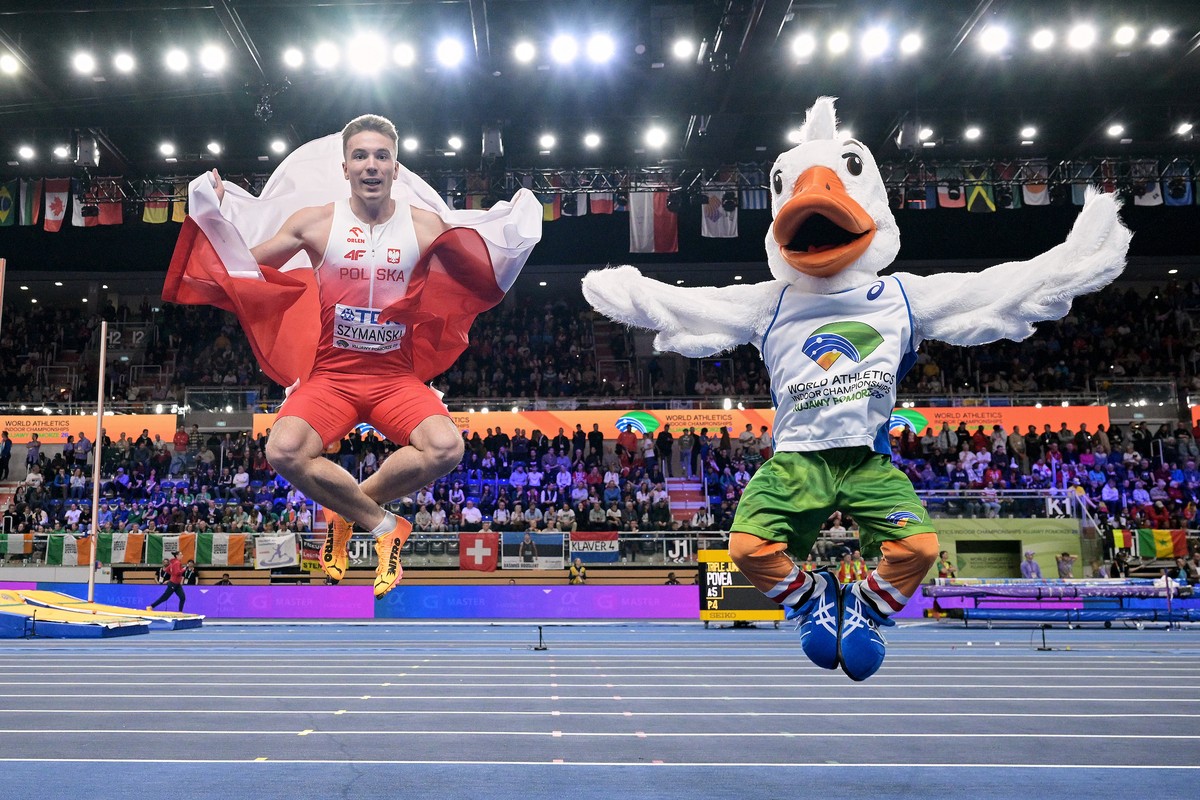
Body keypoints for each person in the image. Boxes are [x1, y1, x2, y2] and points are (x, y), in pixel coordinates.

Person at [168, 113, 541, 599]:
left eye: (381, 156)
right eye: (360, 156)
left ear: (396, 168)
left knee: (448, 448)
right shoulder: (315, 223)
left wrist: (518, 228)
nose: (371, 165)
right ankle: (384, 525)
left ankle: (349, 512)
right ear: (344, 167)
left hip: (395, 378)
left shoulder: (426, 228)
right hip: (332, 376)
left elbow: (483, 270)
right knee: (282, 450)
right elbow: (240, 268)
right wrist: (212, 215)